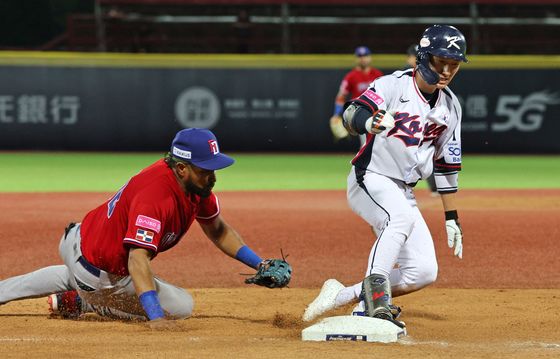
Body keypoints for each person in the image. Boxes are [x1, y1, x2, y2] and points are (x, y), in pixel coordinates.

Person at [0, 128, 290, 330]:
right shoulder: (156, 197)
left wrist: (259, 262)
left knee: (75, 274)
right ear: (181, 168)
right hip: (101, 272)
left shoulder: (194, 186)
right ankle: (85, 302)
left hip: (76, 241)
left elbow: (217, 230)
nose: (212, 176)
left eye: (213, 169)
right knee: (180, 307)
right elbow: (137, 259)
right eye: (205, 169)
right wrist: (155, 317)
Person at [304, 25, 467, 326]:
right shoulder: (393, 86)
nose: (446, 70)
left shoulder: (451, 107)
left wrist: (451, 216)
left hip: (403, 189)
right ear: (422, 57)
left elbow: (446, 165)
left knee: (423, 271)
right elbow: (352, 114)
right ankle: (374, 306)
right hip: (370, 177)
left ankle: (343, 296)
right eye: (440, 62)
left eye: (453, 64)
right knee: (399, 220)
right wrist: (370, 122)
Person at [329, 46, 383, 145]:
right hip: (360, 113)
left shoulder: (377, 74)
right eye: (360, 56)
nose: (363, 58)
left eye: (365, 55)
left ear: (370, 57)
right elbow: (341, 96)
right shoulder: (351, 76)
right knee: (366, 144)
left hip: (377, 112)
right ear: (356, 58)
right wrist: (336, 114)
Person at [406, 43, 439, 196]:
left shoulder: (432, 78)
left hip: (424, 121)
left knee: (426, 153)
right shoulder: (403, 77)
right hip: (408, 122)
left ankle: (435, 187)